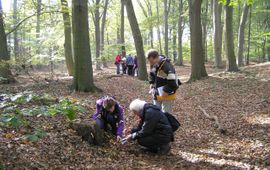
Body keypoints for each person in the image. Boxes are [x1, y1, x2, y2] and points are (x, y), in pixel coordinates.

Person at [147, 49, 180, 114]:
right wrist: (151, 83)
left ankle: (166, 124)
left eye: (151, 61)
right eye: (149, 61)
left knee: (166, 114)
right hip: (157, 92)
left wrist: (166, 91)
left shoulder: (167, 65)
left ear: (156, 57)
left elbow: (172, 81)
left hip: (167, 94)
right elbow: (152, 74)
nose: (150, 63)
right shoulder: (154, 64)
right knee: (156, 112)